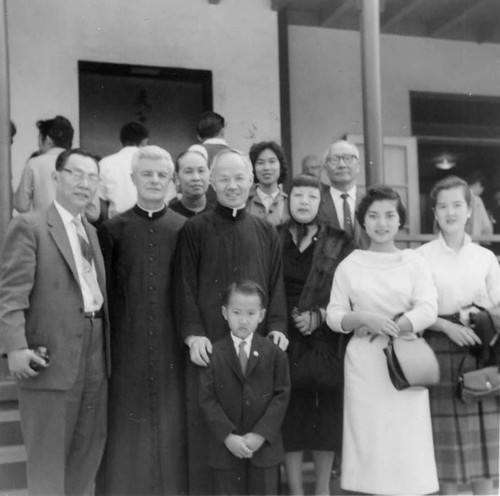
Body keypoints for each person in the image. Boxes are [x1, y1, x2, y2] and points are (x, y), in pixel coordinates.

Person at [174, 148, 288, 495]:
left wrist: (278, 327)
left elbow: (275, 283)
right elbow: (184, 285)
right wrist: (194, 335)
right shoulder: (195, 228)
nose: (232, 186)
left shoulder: (265, 231)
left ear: (251, 181)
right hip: (212, 348)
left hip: (256, 351)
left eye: (240, 178)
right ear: (211, 182)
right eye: (223, 178)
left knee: (258, 427)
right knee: (214, 441)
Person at [0, 148, 110, 495]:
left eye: (92, 177)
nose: (84, 183)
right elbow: (11, 295)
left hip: (94, 352)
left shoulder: (89, 231)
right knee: (48, 459)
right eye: (76, 174)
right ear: (56, 178)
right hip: (51, 355)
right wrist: (15, 348)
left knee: (86, 452)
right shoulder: (29, 226)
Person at [327, 185, 439, 495]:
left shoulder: (413, 261)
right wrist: (363, 318)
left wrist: (394, 325)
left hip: (405, 357)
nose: (381, 223)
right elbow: (334, 315)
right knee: (370, 437)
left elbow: (428, 307)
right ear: (363, 222)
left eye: (390, 215)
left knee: (405, 438)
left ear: (400, 220)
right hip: (365, 362)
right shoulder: (350, 264)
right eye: (373, 216)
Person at [96, 146, 187, 495]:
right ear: (133, 179)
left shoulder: (185, 229)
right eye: (146, 174)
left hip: (170, 349)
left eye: (161, 175)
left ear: (171, 181)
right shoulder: (113, 229)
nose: (154, 180)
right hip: (126, 348)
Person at [417, 176, 500, 496]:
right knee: (446, 443)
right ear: (434, 213)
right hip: (439, 347)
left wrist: (479, 318)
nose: (450, 212)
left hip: (480, 349)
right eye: (442, 206)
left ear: (469, 210)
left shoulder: (485, 257)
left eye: (457, 205)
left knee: (485, 443)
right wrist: (448, 325)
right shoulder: (422, 256)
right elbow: (417, 308)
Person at [279, 174, 354, 495]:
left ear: (320, 201)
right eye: (298, 196)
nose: (305, 202)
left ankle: (321, 490)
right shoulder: (272, 236)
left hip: (325, 338)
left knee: (325, 418)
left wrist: (319, 316)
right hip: (283, 334)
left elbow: (350, 290)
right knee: (290, 417)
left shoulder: (339, 240)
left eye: (312, 196)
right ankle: (297, 491)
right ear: (288, 199)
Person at [199, 281, 290, 495]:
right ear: (224, 312)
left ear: (261, 315)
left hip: (264, 450)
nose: (243, 320)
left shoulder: (274, 353)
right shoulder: (215, 352)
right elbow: (207, 399)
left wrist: (260, 434)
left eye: (251, 313)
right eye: (236, 312)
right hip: (226, 450)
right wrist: (227, 436)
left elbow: (282, 396)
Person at [13, 116, 74, 213]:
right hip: (75, 226)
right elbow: (93, 213)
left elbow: (21, 205)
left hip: (43, 226)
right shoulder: (83, 164)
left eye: (39, 138)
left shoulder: (34, 163)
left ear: (48, 141)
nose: (38, 144)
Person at [318, 139, 369, 248]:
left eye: (348, 158)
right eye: (334, 159)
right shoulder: (317, 202)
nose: (342, 165)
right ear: (326, 168)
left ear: (358, 166)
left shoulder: (370, 201)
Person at [246, 141, 289, 226]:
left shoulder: (289, 203)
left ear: (280, 165)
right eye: (260, 163)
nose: (266, 168)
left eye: (272, 161)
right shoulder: (244, 202)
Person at [193, 111, 230, 208]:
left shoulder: (196, 150)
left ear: (198, 135)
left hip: (201, 209)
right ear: (222, 131)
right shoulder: (236, 154)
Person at [169, 149, 210, 218]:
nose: (196, 178)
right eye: (188, 172)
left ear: (210, 175)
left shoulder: (221, 216)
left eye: (201, 171)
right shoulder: (169, 217)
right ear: (177, 177)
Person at [466, 171, 494, 237]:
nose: (482, 192)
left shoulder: (456, 197)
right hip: (473, 241)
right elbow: (486, 225)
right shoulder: (476, 200)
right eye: (482, 188)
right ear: (477, 184)